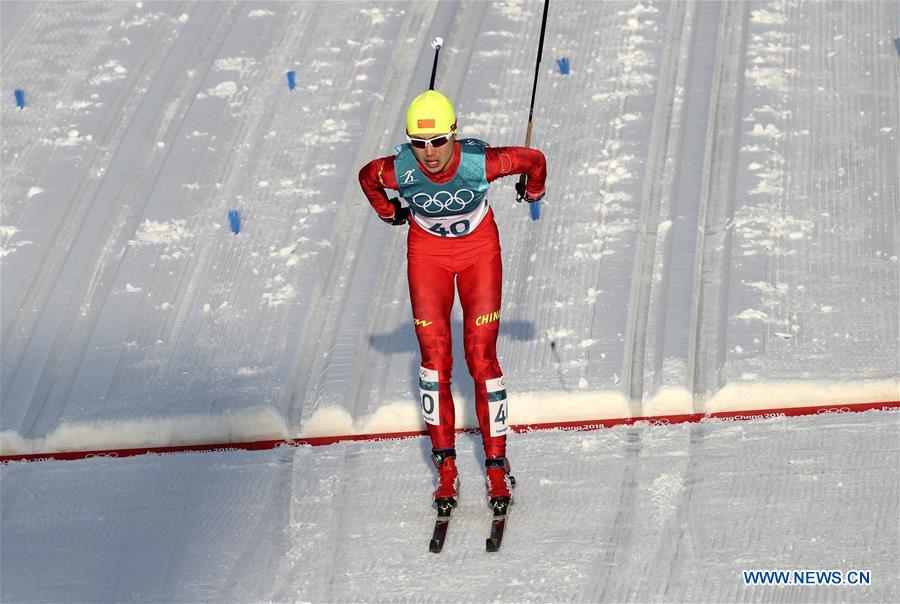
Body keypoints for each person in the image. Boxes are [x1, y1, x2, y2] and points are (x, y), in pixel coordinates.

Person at [358, 90, 546, 510]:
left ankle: (496, 466)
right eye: (419, 143)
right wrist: (388, 212)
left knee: (481, 357)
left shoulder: (482, 162)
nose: (429, 153)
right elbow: (367, 177)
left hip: (479, 251)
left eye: (439, 141)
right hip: (428, 256)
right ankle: (445, 468)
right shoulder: (397, 169)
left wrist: (534, 190)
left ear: (454, 135)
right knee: (434, 361)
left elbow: (534, 160)